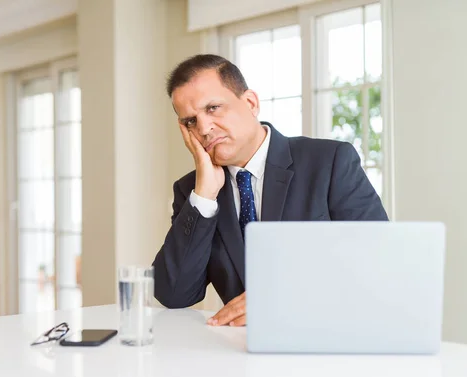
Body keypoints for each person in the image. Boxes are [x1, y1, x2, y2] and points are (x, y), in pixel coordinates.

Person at [153, 54, 388, 327]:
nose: (204, 128)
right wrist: (204, 198)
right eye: (191, 121)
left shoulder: (329, 162)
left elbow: (378, 264)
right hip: (237, 355)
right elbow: (174, 294)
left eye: (214, 108)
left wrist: (284, 298)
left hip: (327, 343)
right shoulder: (193, 192)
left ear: (251, 103)